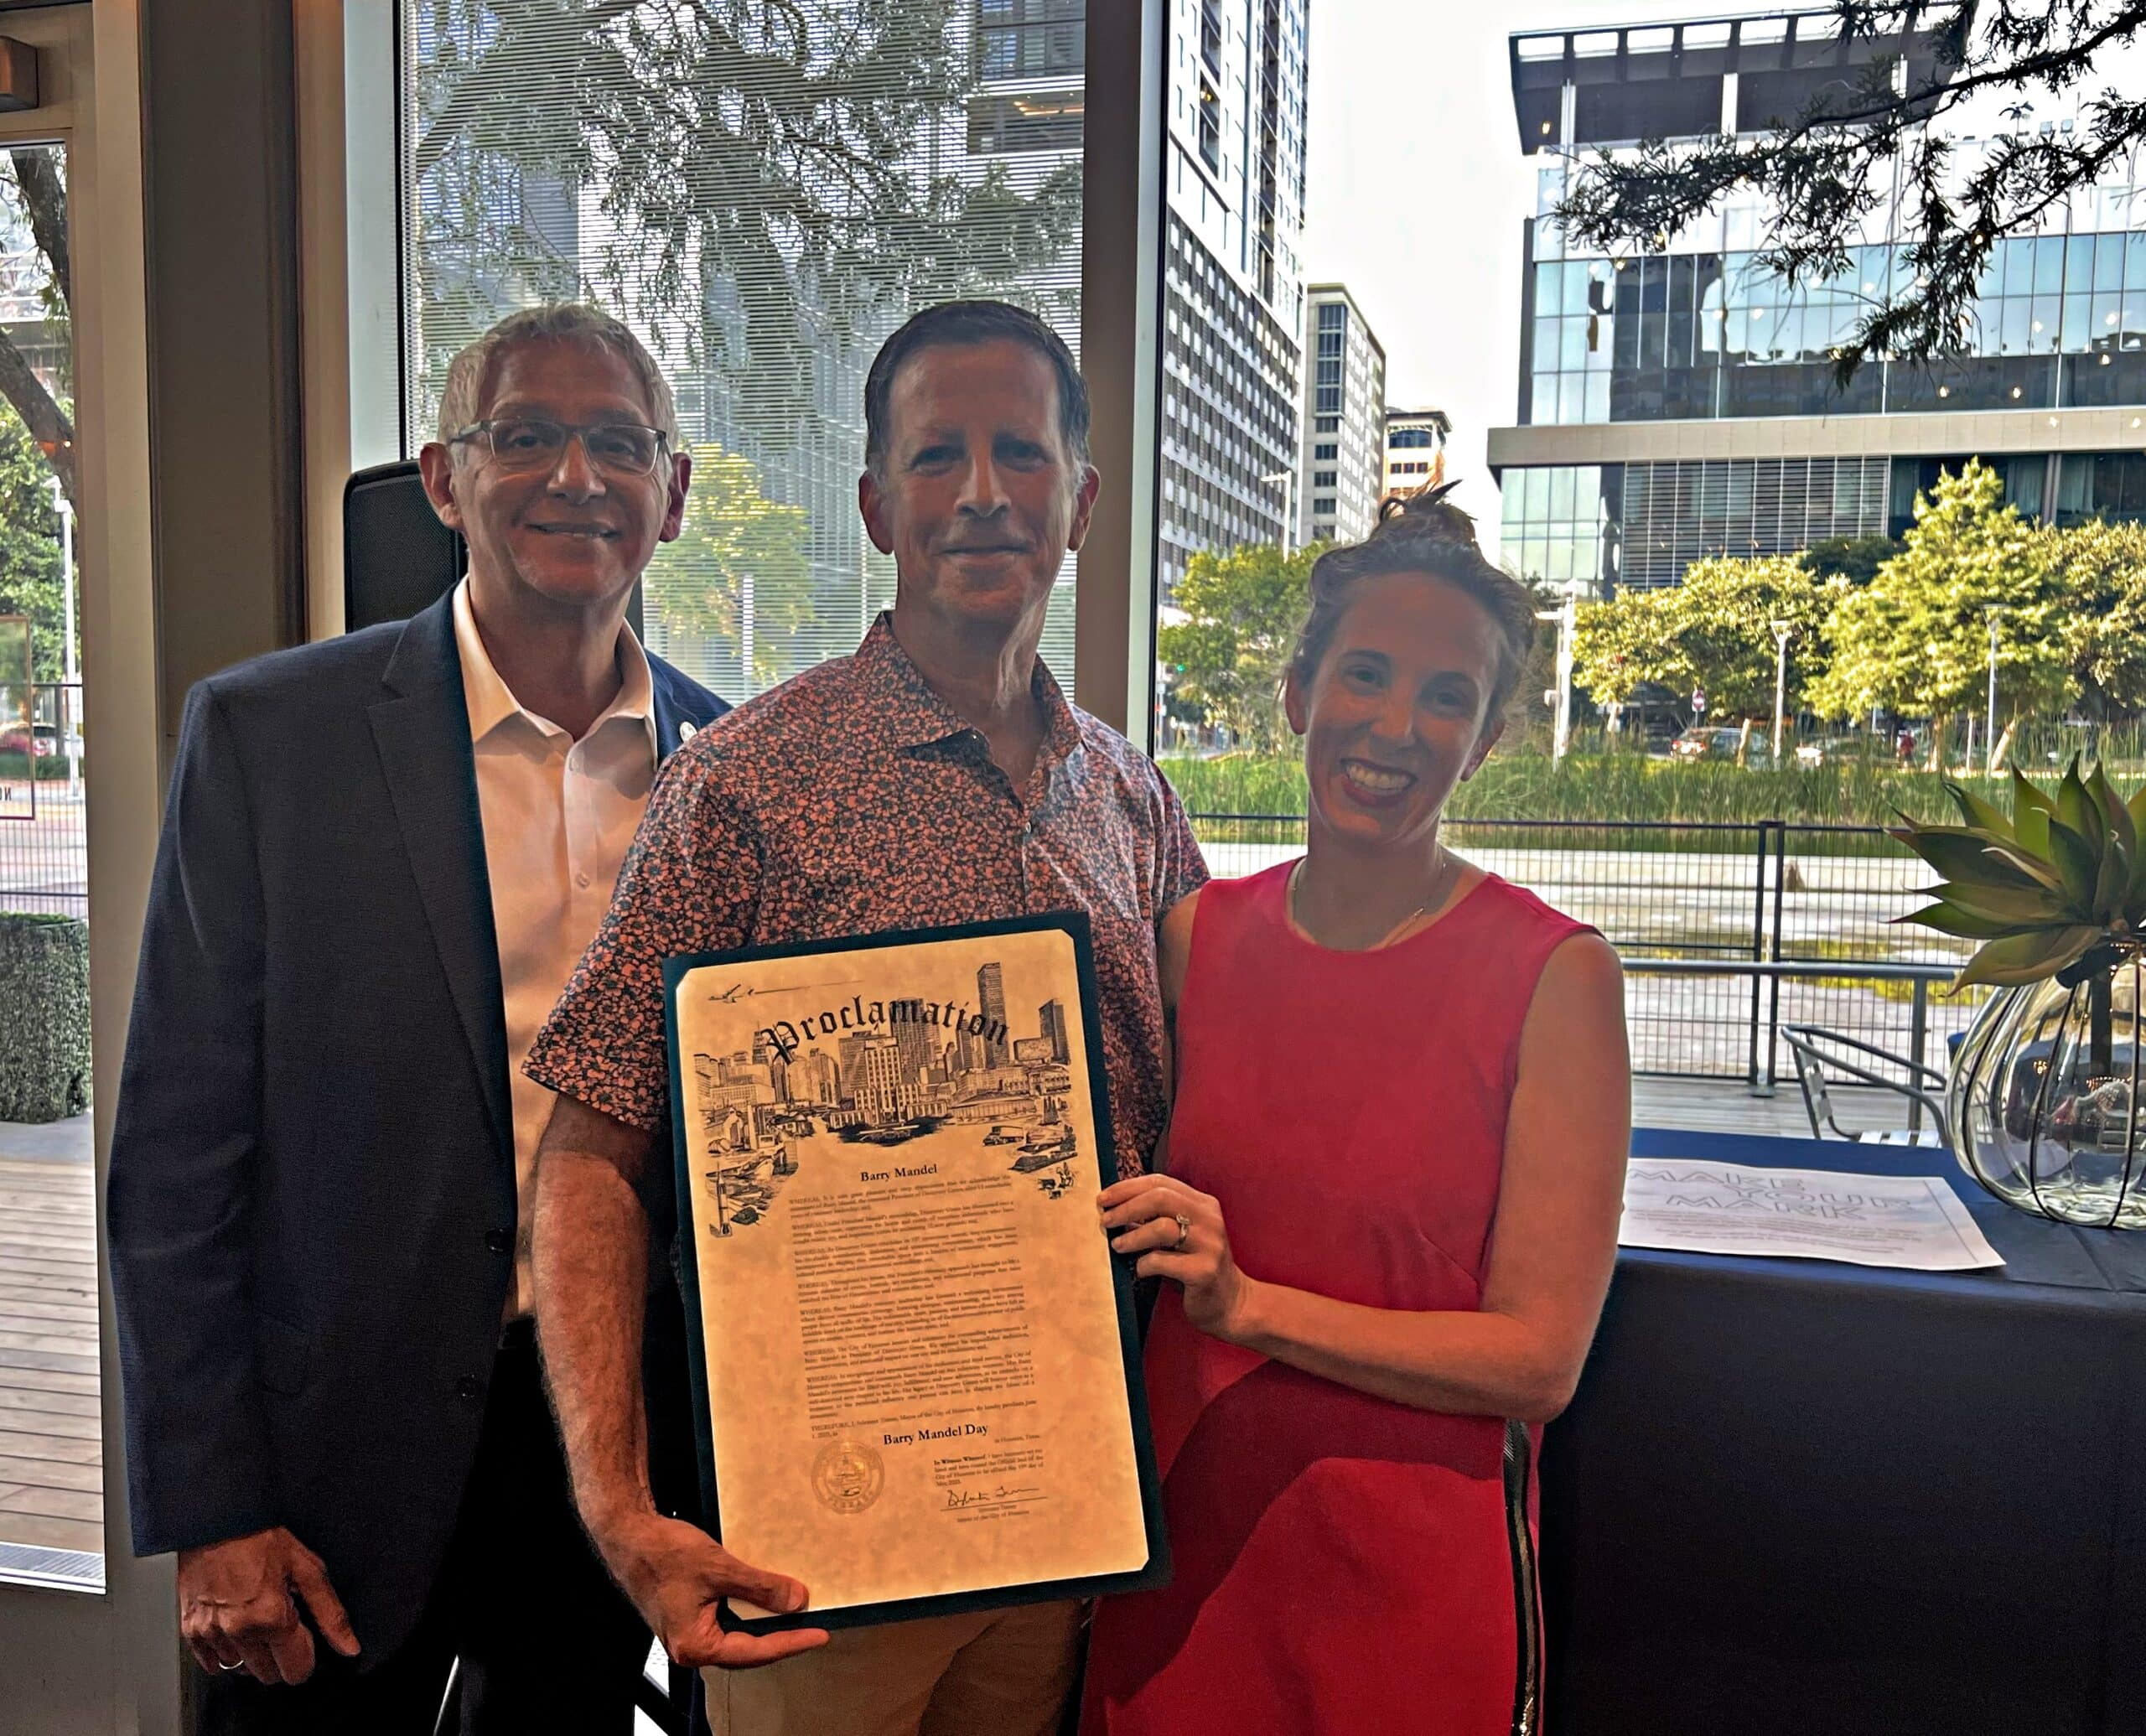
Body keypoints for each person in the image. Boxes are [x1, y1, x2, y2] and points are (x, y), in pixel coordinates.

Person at [521, 298, 1207, 1735]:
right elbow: (590, 1145)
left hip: (1068, 1519)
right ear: (876, 506)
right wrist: (619, 1505)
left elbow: (1207, 1103)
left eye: (1018, 454)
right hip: (822, 1551)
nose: (979, 493)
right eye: (936, 456)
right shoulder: (748, 783)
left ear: (1080, 504)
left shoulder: (1134, 802)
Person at [106, 303, 729, 1733]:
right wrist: (214, 1502)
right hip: (334, 1456)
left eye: (620, 444)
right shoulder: (271, 740)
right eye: (525, 436)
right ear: (446, 480)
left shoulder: (738, 775)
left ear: (673, 495)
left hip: (614, 1447)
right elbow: (178, 1155)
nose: (576, 477)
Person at [1081, 485, 1631, 1735]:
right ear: (1297, 695)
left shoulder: (1555, 977)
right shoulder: (1193, 943)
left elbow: (1537, 1361)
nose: (1394, 725)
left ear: (1486, 741)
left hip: (1407, 1576)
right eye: (1366, 676)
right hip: (1183, 1555)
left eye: (1447, 698)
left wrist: (1248, 1306)